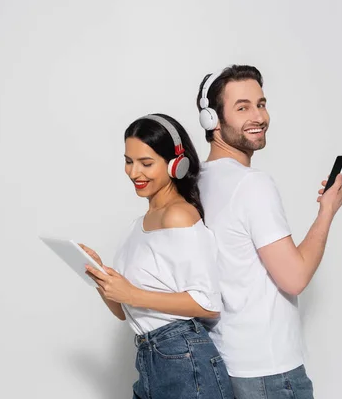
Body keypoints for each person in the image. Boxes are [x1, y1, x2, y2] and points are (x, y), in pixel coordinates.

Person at [194, 65, 342, 398]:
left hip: (224, 363)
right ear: (212, 119)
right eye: (243, 107)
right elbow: (294, 278)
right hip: (269, 371)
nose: (258, 116)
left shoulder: (197, 182)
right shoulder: (252, 184)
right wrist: (327, 212)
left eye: (261, 104)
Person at [80, 113, 234, 399]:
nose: (134, 172)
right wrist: (100, 275)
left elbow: (208, 303)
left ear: (176, 164)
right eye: (129, 161)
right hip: (151, 358)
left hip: (184, 359)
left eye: (146, 163)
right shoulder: (137, 226)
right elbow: (124, 311)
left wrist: (131, 294)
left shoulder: (179, 215)